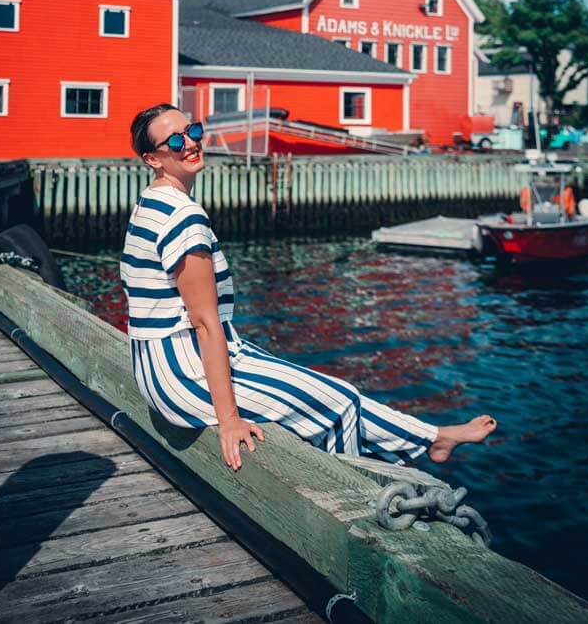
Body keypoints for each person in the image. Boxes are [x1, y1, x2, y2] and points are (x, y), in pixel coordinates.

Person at [122, 103, 497, 471]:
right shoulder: (183, 217)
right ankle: (356, 504)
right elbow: (205, 324)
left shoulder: (151, 201)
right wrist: (230, 418)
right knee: (338, 406)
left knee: (332, 389)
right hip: (184, 375)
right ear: (152, 159)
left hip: (156, 367)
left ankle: (432, 436)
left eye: (194, 131)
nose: (190, 142)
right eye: (175, 141)